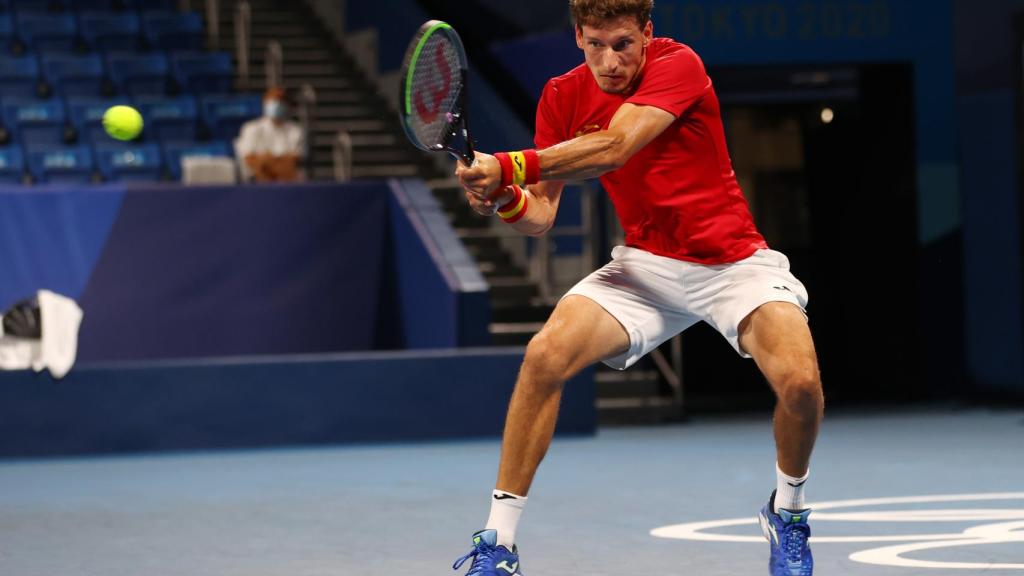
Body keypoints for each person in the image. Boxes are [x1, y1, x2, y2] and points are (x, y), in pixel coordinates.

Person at [453, 1, 824, 575]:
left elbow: (616, 146)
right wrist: (504, 196)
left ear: (647, 33)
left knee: (800, 384)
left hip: (733, 265)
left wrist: (506, 165)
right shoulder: (561, 95)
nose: (609, 60)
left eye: (623, 43)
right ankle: (497, 544)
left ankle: (789, 512)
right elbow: (541, 215)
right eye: (595, 43)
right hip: (645, 267)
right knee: (544, 355)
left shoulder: (680, 64)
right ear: (577, 36)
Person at [234, 87, 306, 182]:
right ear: (264, 103)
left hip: (288, 183)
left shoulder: (297, 131)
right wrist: (278, 162)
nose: (277, 104)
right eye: (273, 100)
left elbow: (294, 161)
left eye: (281, 100)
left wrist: (265, 161)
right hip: (257, 183)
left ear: (287, 106)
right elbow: (249, 159)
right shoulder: (250, 128)